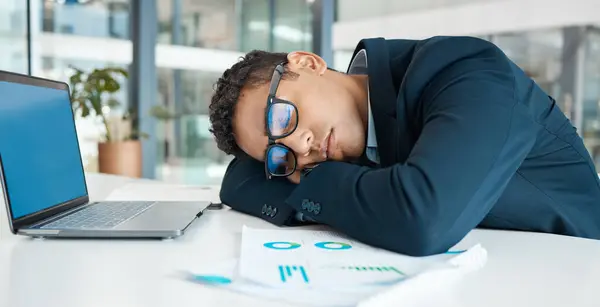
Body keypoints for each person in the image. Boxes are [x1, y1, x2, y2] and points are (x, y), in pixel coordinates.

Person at [208, 36, 600, 256]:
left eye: (281, 117)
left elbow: (422, 219)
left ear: (308, 63)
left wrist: (310, 181)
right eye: (279, 153)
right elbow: (238, 181)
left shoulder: (463, 69)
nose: (300, 146)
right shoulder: (343, 133)